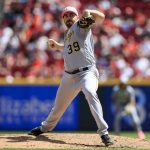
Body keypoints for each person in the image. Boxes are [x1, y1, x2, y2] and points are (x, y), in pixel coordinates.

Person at [28, 6, 113, 146]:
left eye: (71, 14)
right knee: (58, 107)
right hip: (69, 76)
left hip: (87, 73)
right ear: (62, 19)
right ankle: (44, 128)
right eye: (65, 15)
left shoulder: (80, 25)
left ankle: (104, 133)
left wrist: (89, 12)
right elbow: (70, 46)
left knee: (90, 92)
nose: (68, 17)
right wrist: (58, 46)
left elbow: (101, 17)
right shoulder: (68, 33)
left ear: (77, 17)